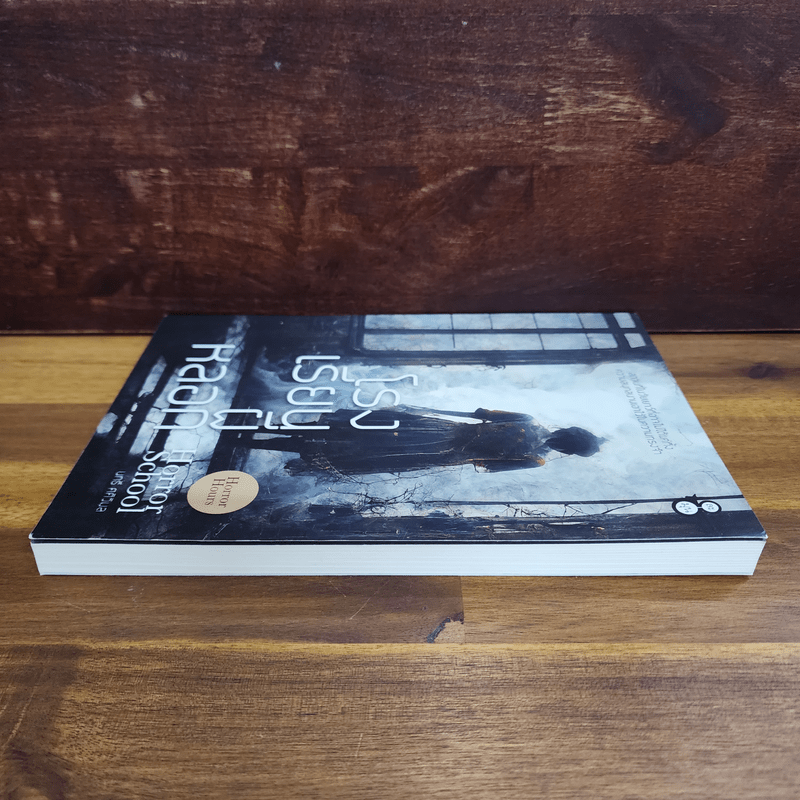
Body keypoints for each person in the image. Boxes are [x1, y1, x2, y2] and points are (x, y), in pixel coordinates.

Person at [248, 405, 602, 477]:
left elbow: (476, 413)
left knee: (356, 431)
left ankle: (261, 429)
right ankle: (262, 443)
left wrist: (423, 411)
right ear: (568, 450)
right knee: (357, 453)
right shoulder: (535, 459)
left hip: (436, 429)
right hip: (439, 451)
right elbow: (484, 465)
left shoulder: (527, 420)